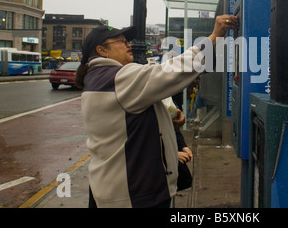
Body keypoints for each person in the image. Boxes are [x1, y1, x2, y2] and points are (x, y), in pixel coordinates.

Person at [75, 15, 238, 208]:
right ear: (102, 51)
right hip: (134, 195)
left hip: (119, 189)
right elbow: (172, 71)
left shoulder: (97, 79)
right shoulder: (117, 78)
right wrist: (214, 37)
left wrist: (166, 120)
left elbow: (127, 124)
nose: (127, 43)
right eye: (120, 41)